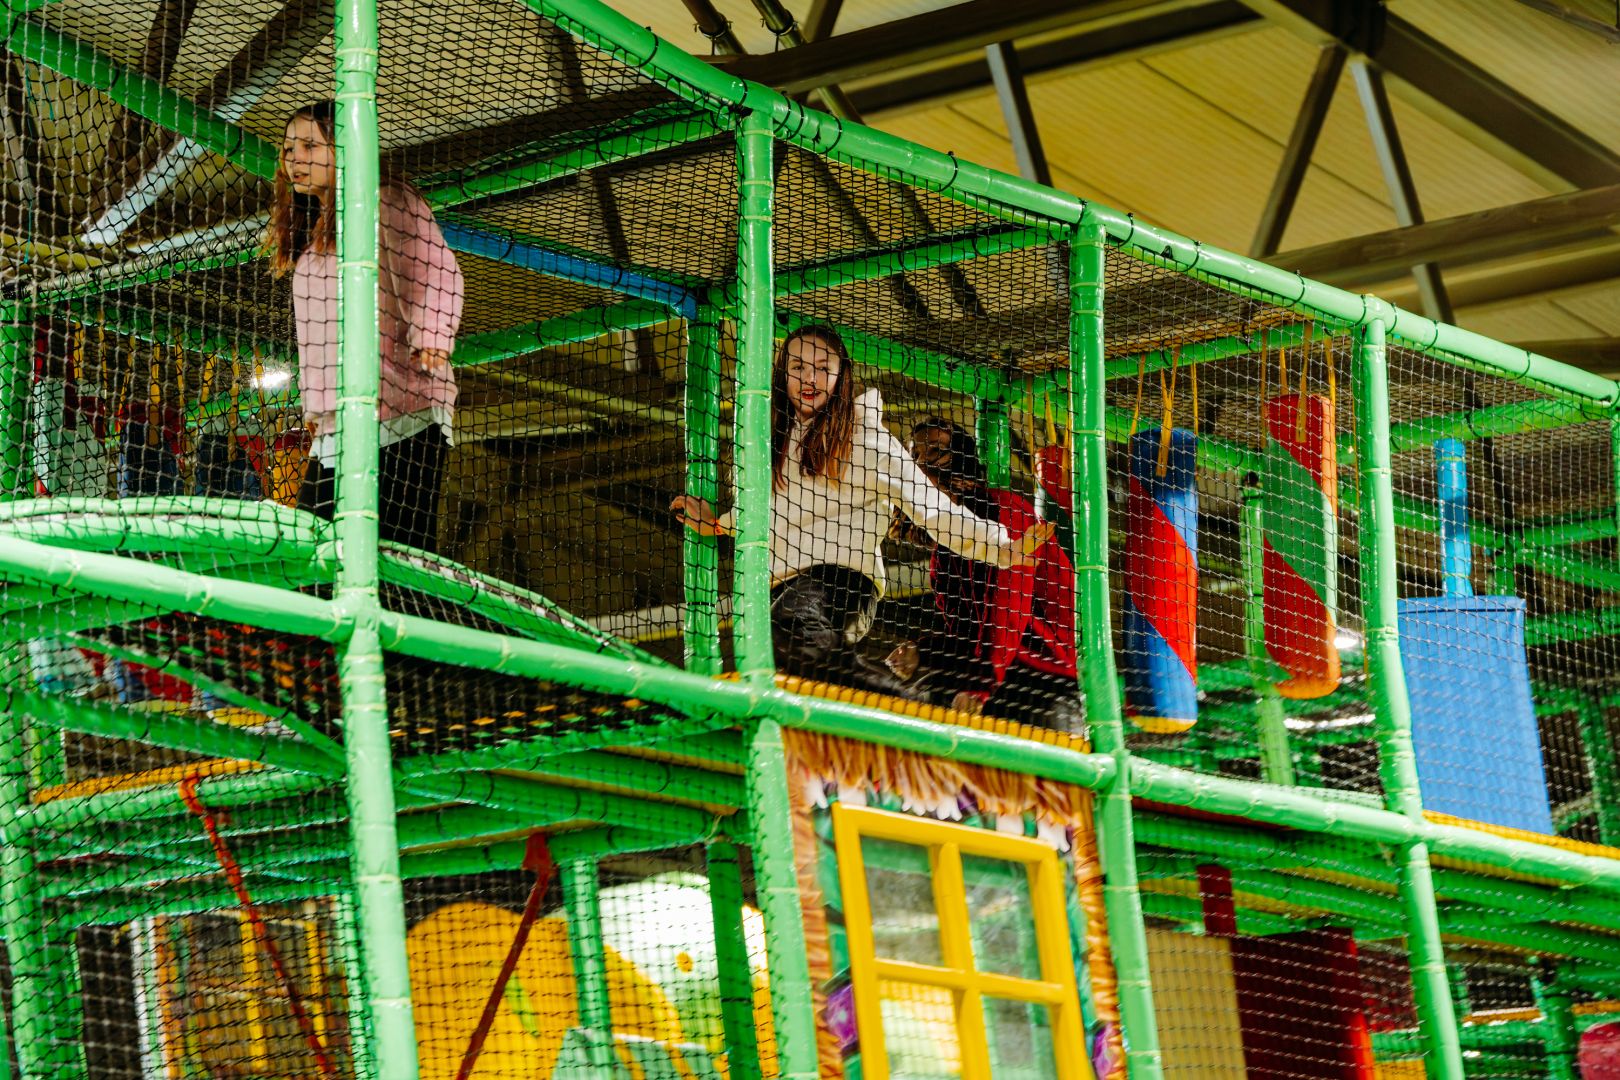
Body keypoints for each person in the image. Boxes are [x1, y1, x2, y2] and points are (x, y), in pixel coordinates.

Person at [671, 326, 1048, 699]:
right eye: (798, 367)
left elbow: (931, 507)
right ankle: (891, 705)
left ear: (841, 377)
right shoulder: (772, 441)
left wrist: (1001, 547)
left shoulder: (864, 438)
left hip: (840, 580)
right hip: (780, 586)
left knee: (786, 631)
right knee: (791, 664)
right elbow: (767, 509)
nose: (810, 379)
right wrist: (718, 524)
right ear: (782, 374)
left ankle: (908, 704)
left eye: (823, 368)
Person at [265, 101, 463, 552]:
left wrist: (433, 335)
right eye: (289, 148)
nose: (295, 158)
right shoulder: (316, 243)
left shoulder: (385, 199)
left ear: (344, 149)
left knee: (393, 551)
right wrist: (319, 409)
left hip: (403, 410)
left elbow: (433, 267)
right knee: (316, 549)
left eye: (310, 146)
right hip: (343, 424)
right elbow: (320, 335)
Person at [902, 416, 1080, 732]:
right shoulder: (944, 551)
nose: (919, 465)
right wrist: (924, 653)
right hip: (995, 675)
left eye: (935, 451)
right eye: (913, 455)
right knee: (915, 701)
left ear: (961, 460)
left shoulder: (1005, 509)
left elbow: (1008, 605)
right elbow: (964, 631)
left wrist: (980, 685)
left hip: (1047, 680)